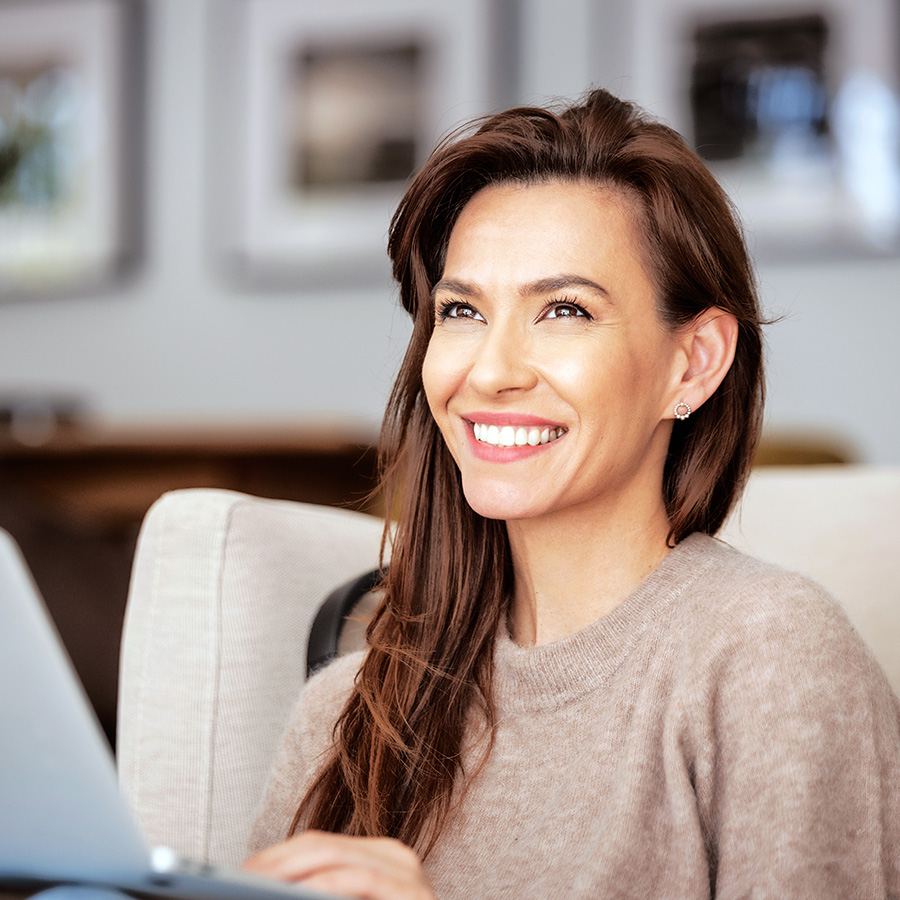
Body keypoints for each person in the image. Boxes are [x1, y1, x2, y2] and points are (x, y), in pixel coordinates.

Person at [243, 88, 900, 899]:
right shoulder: (347, 713)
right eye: (461, 310)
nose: (490, 371)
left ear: (692, 363)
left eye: (563, 310)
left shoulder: (771, 660)